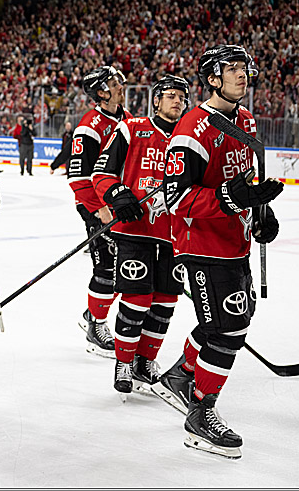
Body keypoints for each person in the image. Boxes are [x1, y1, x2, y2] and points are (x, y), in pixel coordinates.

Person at [157, 45, 284, 459]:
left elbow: (246, 180)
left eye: (244, 68)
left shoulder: (245, 120)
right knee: (229, 329)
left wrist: (260, 211)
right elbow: (176, 198)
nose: (242, 75)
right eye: (232, 69)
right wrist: (232, 198)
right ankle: (201, 411)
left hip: (233, 241)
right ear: (213, 79)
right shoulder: (191, 129)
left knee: (229, 321)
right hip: (200, 243)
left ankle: (180, 375)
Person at [92, 75, 189, 399]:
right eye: (170, 95)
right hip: (136, 231)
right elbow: (101, 173)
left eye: (181, 97)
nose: (177, 101)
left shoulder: (190, 138)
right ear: (156, 100)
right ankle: (123, 362)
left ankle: (144, 361)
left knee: (165, 302)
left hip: (176, 235)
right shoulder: (132, 128)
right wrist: (117, 194)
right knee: (137, 299)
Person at [68, 66, 127, 358]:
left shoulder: (127, 120)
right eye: (114, 83)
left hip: (123, 205)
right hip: (98, 207)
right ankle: (96, 325)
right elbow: (78, 178)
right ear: (101, 92)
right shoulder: (89, 127)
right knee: (107, 268)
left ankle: (93, 312)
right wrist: (100, 209)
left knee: (127, 268)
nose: (121, 86)